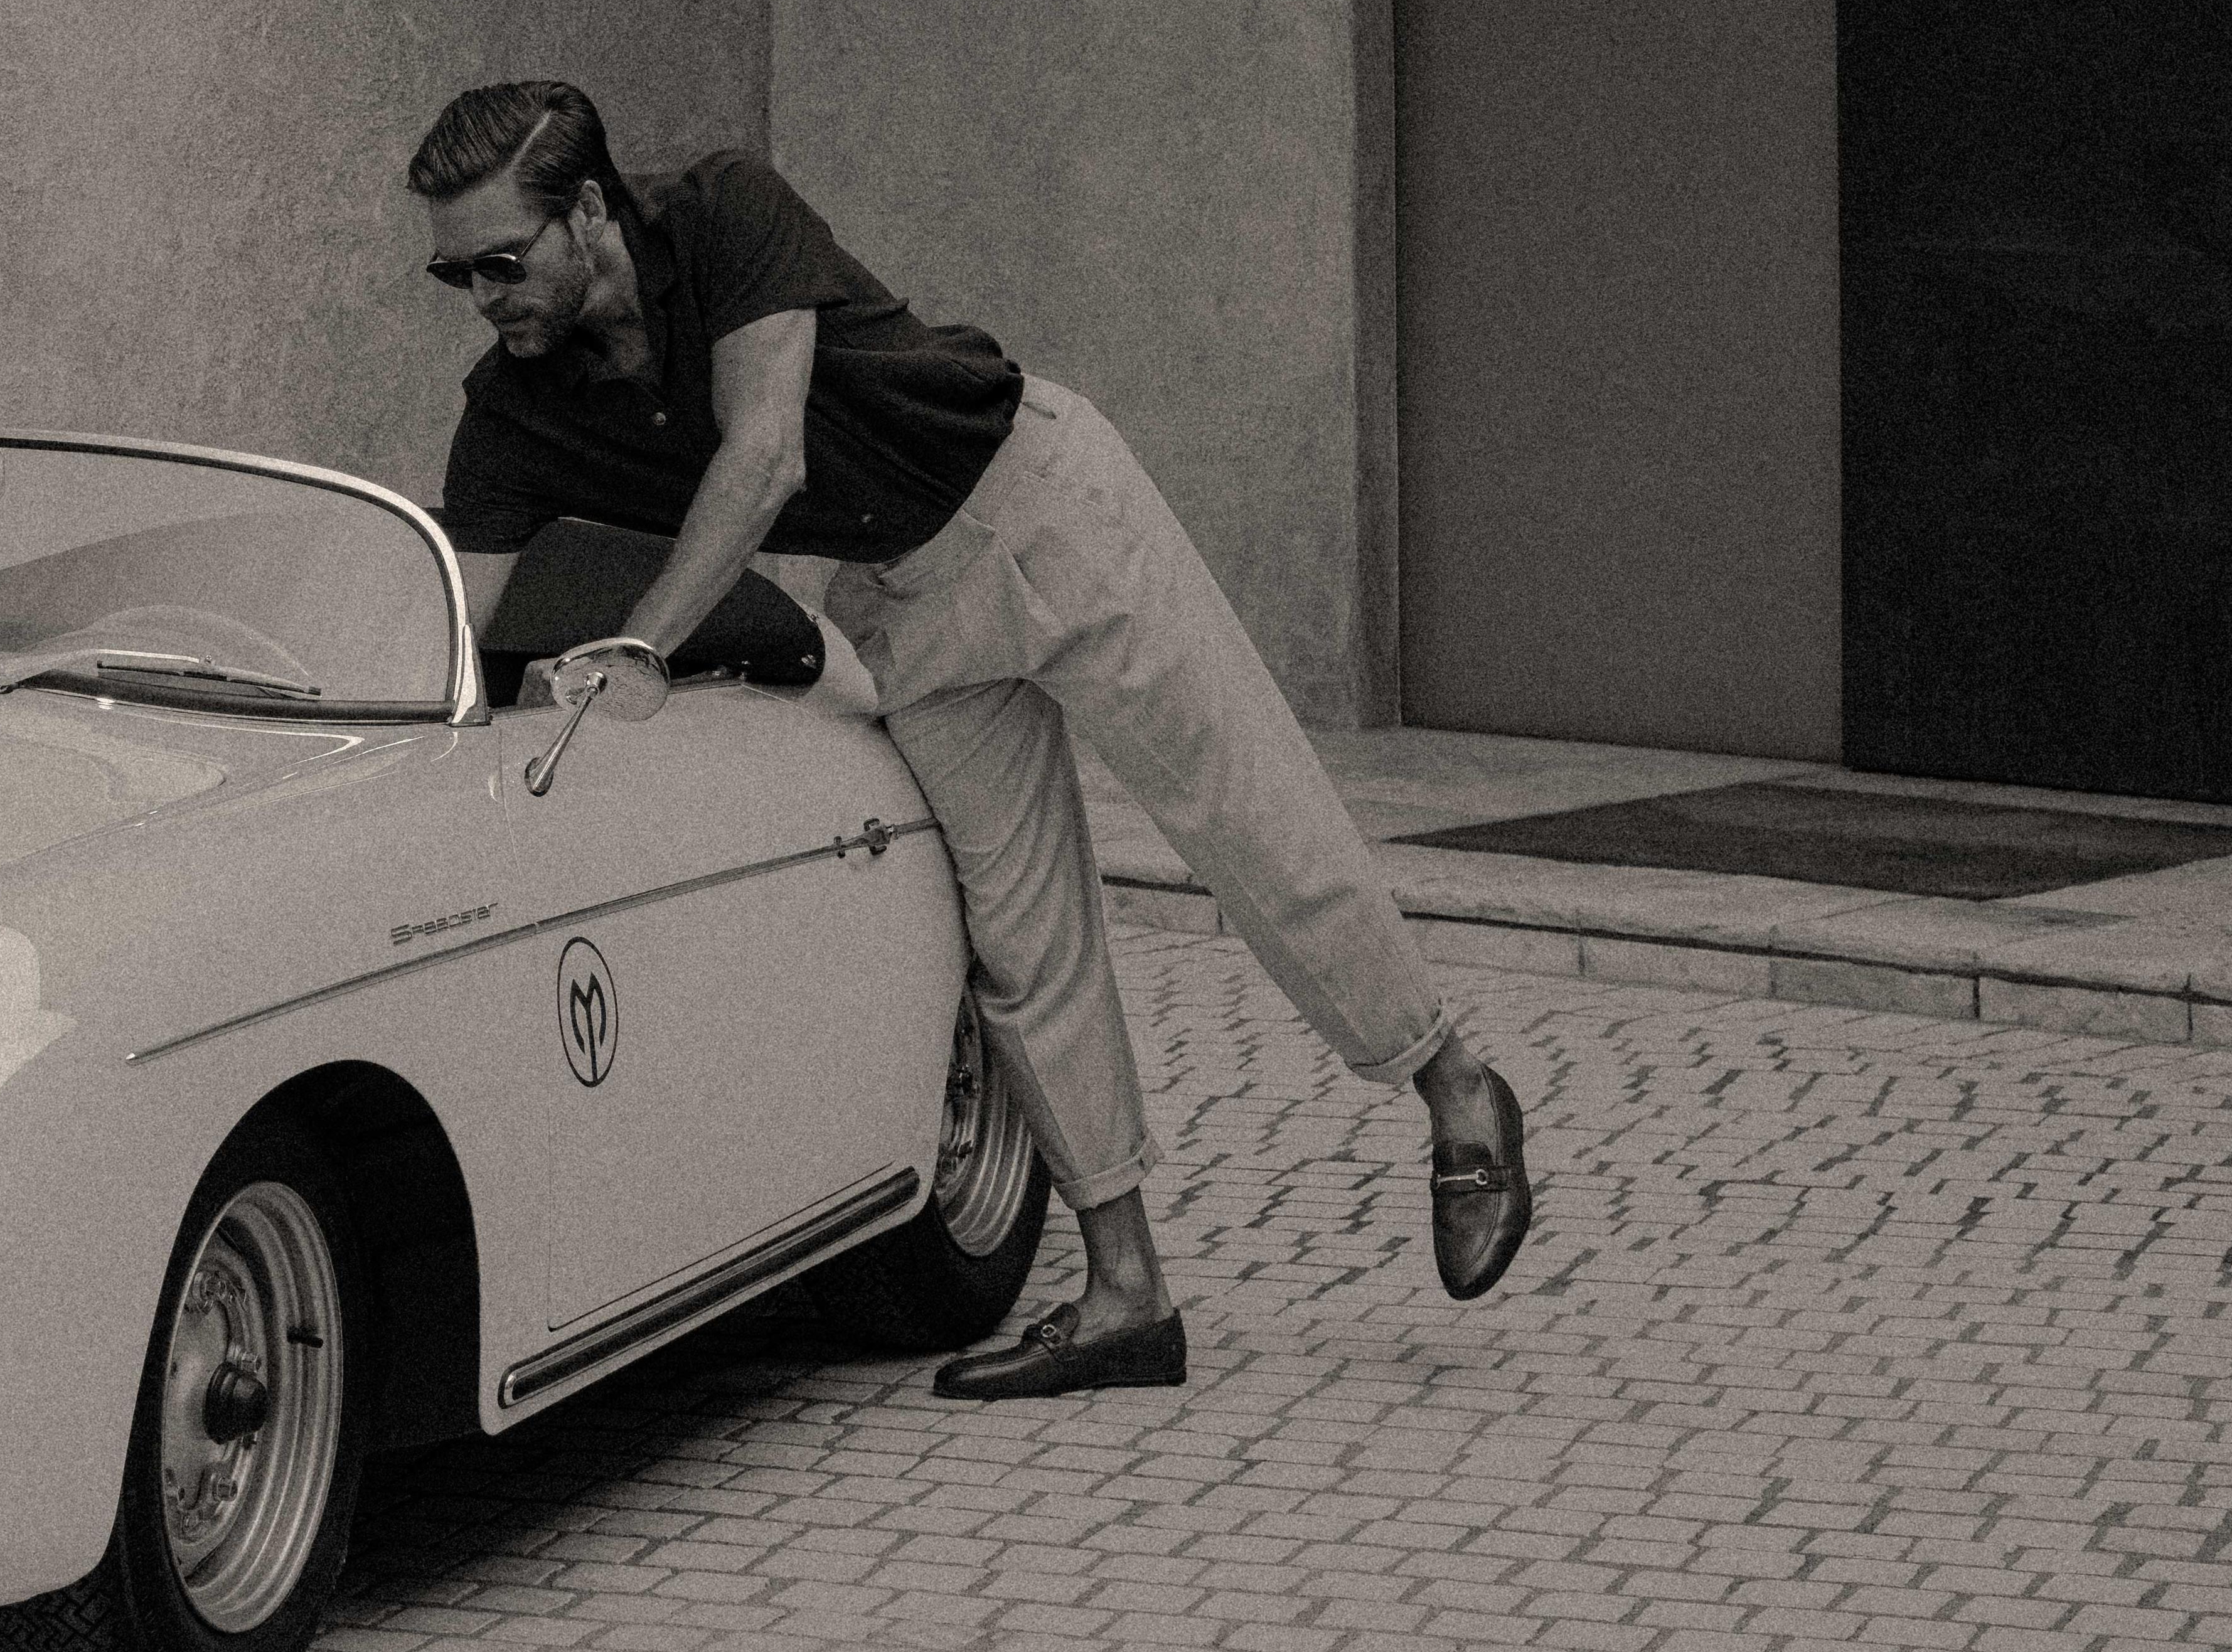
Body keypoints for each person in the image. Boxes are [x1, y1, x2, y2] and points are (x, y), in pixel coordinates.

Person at [403, 80, 1532, 1396]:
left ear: (588, 209)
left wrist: (644, 639)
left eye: (502, 261)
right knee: (1020, 941)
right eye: (454, 275)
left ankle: (1453, 1088)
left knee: (1249, 824)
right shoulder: (512, 412)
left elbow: (765, 455)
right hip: (903, 603)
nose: (485, 297)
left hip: (1038, 501)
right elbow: (459, 623)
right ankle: (1127, 1295)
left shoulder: (722, 213)